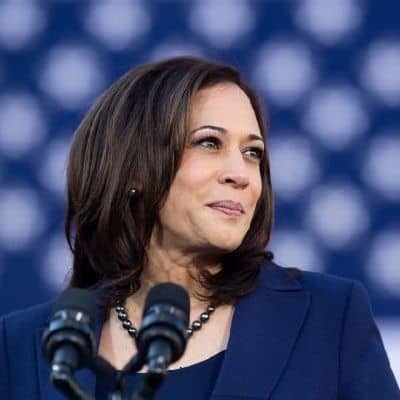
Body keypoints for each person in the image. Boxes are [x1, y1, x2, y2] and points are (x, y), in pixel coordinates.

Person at [0, 56, 399, 400]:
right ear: (133, 168)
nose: (241, 175)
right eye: (209, 143)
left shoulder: (331, 318)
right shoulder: (22, 346)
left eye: (253, 153)